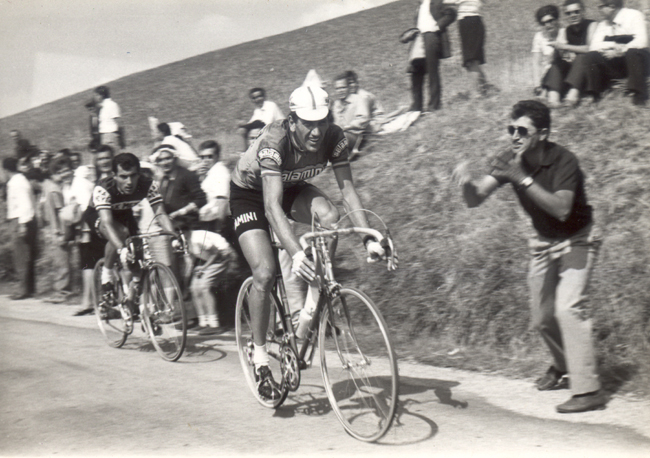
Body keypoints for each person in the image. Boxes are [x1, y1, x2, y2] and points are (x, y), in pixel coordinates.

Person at [229, 85, 388, 399]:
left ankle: (312, 303)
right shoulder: (274, 141)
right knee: (264, 272)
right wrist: (296, 253)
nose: (316, 131)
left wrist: (368, 237)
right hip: (249, 196)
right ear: (292, 119)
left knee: (329, 218)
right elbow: (271, 208)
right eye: (308, 123)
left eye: (322, 121)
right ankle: (260, 357)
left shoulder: (334, 137)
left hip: (289, 187)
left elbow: (348, 192)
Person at [452, 100, 606, 414]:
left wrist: (520, 177)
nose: (515, 136)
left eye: (523, 130)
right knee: (541, 318)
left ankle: (589, 389)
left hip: (578, 239)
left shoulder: (564, 161)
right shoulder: (512, 160)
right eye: (511, 129)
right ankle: (564, 366)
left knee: (568, 307)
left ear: (544, 133)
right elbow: (476, 198)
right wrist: (466, 184)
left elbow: (563, 209)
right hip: (543, 243)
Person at [82, 153, 175, 315]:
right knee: (121, 233)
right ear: (114, 175)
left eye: (133, 176)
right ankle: (107, 275)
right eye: (123, 177)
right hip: (99, 215)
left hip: (124, 213)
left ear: (139, 174)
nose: (129, 182)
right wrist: (121, 249)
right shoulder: (104, 187)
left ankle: (133, 300)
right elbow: (108, 223)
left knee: (138, 260)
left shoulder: (148, 184)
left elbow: (160, 214)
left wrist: (174, 236)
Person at [564, 0, 649, 107]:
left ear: (611, 6)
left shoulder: (634, 16)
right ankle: (594, 93)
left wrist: (622, 50)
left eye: (601, 6)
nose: (599, 10)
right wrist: (614, 46)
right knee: (591, 56)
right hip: (617, 63)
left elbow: (641, 41)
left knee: (633, 52)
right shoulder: (603, 24)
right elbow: (594, 46)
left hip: (638, 61)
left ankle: (639, 95)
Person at [409, 0, 457, 111]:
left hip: (431, 37)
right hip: (419, 38)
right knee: (415, 72)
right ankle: (417, 106)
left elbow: (452, 13)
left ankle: (434, 106)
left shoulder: (437, 2)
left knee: (432, 72)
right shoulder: (419, 7)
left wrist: (437, 26)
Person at [188, 229, 236, 335]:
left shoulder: (196, 238)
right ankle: (203, 323)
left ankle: (214, 324)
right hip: (210, 260)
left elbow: (215, 253)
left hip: (223, 256)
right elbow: (192, 257)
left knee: (204, 287)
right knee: (194, 287)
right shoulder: (184, 240)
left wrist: (204, 267)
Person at [550, 0, 597, 107]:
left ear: (583, 12)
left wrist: (565, 47)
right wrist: (565, 54)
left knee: (582, 57)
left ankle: (572, 97)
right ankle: (554, 98)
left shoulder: (592, 25)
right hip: (577, 69)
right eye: (569, 13)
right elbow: (568, 52)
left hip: (592, 70)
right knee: (558, 62)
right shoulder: (567, 30)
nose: (573, 15)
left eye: (576, 12)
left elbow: (589, 48)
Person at [3, 156, 38, 300]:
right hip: (20, 220)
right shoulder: (18, 180)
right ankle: (28, 288)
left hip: (20, 220)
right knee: (24, 256)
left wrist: (22, 224)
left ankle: (22, 290)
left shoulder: (16, 183)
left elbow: (25, 204)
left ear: (5, 169)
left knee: (20, 257)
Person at [43, 155, 76, 303]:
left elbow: (60, 213)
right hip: (57, 230)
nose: (62, 175)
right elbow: (58, 214)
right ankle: (61, 290)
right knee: (61, 261)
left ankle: (62, 292)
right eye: (59, 172)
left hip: (58, 231)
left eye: (64, 171)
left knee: (62, 262)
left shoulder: (53, 189)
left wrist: (61, 233)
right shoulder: (55, 190)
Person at [151, 144, 207, 232]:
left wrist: (181, 212)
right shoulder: (164, 179)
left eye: (168, 158)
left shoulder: (186, 175)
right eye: (161, 160)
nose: (165, 163)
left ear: (175, 158)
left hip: (189, 226)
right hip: (172, 226)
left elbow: (201, 199)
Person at [443, 0, 491, 95]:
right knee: (471, 62)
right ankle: (485, 90)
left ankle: (479, 93)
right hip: (469, 21)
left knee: (471, 61)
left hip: (470, 21)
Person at [531, 5, 569, 107]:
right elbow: (536, 62)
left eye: (550, 21)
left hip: (563, 72)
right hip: (547, 75)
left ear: (557, 19)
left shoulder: (565, 32)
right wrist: (536, 85)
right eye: (543, 23)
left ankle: (548, 95)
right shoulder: (539, 37)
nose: (548, 25)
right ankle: (544, 92)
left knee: (556, 62)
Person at [331, 73, 371, 157]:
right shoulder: (336, 104)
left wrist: (347, 127)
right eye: (337, 88)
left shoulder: (359, 99)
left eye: (343, 87)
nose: (340, 91)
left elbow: (363, 119)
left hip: (355, 135)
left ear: (349, 88)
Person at [196, 140, 231, 230]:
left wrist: (219, 228)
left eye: (210, 157)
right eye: (202, 157)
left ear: (217, 156)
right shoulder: (210, 172)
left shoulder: (220, 172)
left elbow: (222, 201)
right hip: (208, 221)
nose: (205, 160)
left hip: (217, 222)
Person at [94, 86, 123, 152]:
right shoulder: (102, 107)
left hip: (111, 135)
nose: (95, 97)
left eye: (97, 95)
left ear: (102, 95)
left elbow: (118, 122)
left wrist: (121, 139)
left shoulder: (112, 105)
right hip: (104, 136)